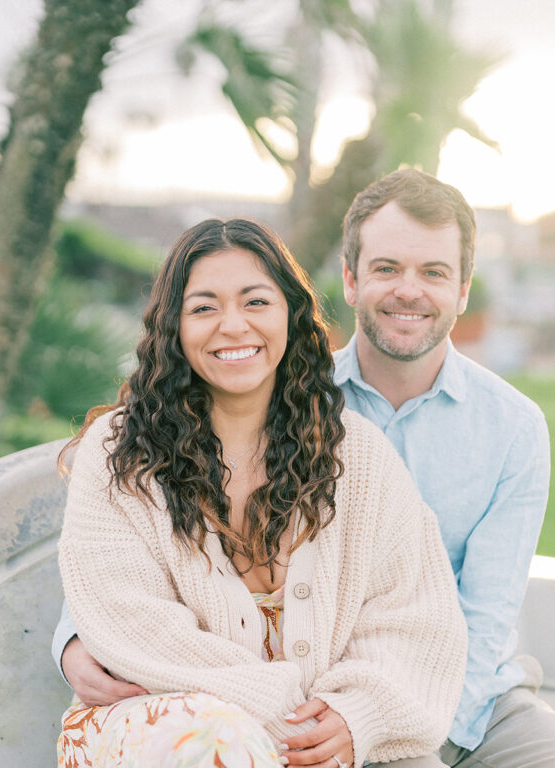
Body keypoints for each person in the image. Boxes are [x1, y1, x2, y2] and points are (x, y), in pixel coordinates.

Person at [55, 171, 555, 767]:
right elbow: (113, 582)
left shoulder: (489, 429)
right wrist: (72, 638)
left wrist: (382, 725)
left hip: (446, 700)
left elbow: (472, 618)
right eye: (386, 268)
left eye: (434, 271)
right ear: (350, 280)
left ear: (463, 290)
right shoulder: (280, 389)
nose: (409, 290)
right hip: (245, 714)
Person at [55, 217, 467, 768]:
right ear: (173, 327)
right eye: (203, 308)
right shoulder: (120, 454)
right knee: (217, 743)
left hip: (317, 737)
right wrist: (282, 717)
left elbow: (414, 617)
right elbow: (130, 621)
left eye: (255, 302)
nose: (232, 326)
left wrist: (353, 716)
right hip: (166, 727)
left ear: (291, 317)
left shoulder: (359, 457)